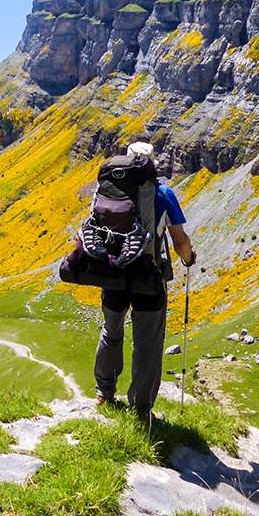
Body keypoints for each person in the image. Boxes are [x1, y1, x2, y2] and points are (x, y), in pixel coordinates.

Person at [93, 141, 196, 423]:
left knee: (111, 331)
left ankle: (104, 392)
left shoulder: (108, 189)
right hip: (148, 275)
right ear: (152, 164)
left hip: (113, 272)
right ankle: (140, 410)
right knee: (147, 344)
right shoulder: (163, 194)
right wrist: (189, 258)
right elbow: (179, 241)